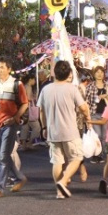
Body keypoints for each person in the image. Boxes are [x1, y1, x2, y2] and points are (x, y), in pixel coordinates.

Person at [38, 60, 90, 199]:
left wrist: (44, 127)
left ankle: (59, 192)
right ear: (68, 74)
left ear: (54, 73)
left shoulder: (45, 89)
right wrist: (88, 119)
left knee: (57, 162)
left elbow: (41, 111)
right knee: (77, 158)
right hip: (70, 131)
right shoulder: (72, 89)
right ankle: (63, 180)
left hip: (52, 131)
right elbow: (83, 107)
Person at [0, 58, 29, 198]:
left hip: (10, 124)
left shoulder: (17, 84)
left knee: (3, 155)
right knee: (2, 155)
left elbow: (24, 104)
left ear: (9, 69)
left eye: (2, 67)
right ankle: (19, 178)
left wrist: (15, 117)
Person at [84, 66, 108, 163]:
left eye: (101, 72)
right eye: (97, 72)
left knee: (105, 136)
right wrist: (87, 117)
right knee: (97, 135)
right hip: (94, 114)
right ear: (94, 74)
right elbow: (87, 102)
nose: (99, 74)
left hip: (106, 114)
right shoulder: (90, 86)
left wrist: (106, 97)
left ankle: (101, 154)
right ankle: (96, 155)